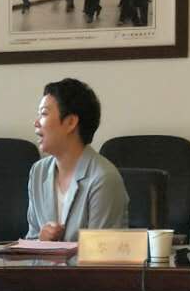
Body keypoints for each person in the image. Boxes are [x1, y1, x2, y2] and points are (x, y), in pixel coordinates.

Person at [24, 78, 129, 240]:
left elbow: (103, 250)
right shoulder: (38, 172)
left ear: (71, 122)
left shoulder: (103, 178)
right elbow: (30, 241)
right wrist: (41, 241)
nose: (36, 123)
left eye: (44, 114)